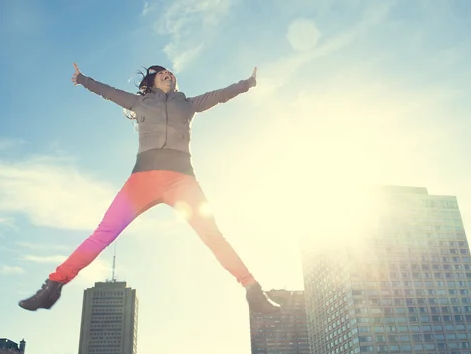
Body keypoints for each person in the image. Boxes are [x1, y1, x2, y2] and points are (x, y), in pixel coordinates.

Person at [18, 63, 280, 314]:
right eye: (161, 73)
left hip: (182, 180)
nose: (168, 74)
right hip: (143, 179)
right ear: (152, 81)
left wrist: (248, 83)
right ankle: (51, 288)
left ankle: (253, 291)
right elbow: (108, 92)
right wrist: (83, 79)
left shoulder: (188, 104)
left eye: (170, 73)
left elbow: (221, 95)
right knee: (103, 234)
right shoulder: (138, 102)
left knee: (213, 236)